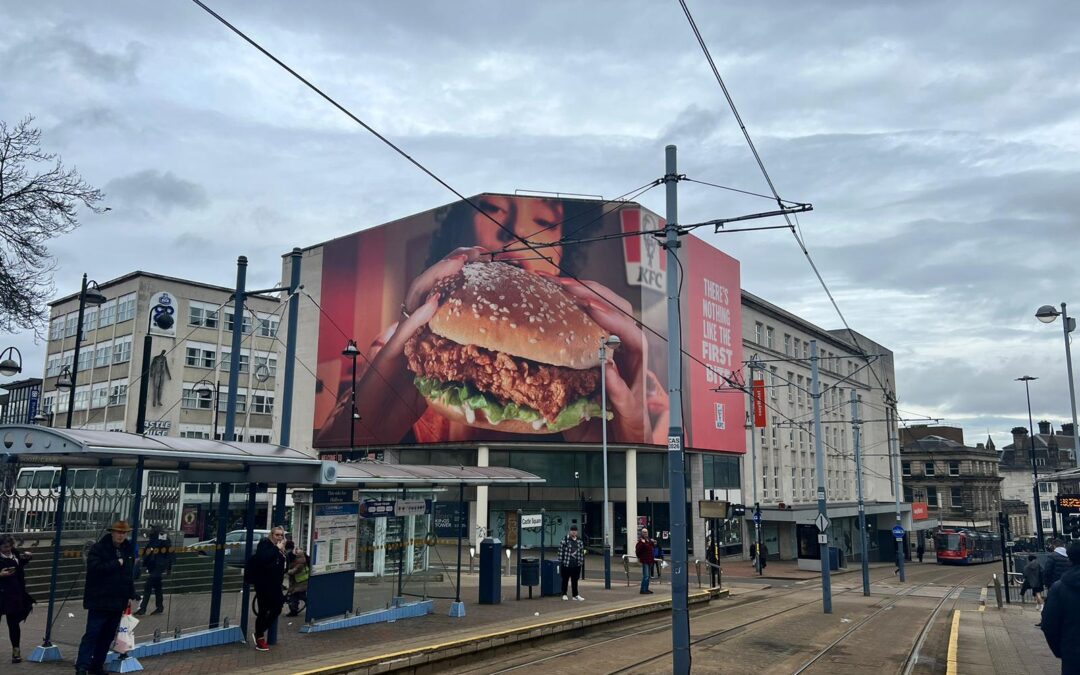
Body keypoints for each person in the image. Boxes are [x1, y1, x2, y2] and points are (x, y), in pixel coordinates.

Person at [315, 194, 668, 448]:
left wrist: (632, 448)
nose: (516, 232)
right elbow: (326, 468)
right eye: (495, 209)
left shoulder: (635, 389)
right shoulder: (394, 356)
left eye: (545, 222)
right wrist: (360, 433)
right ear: (460, 230)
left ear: (564, 249)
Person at [76, 521, 137, 675]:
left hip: (117, 601)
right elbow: (95, 569)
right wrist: (116, 563)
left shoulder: (128, 549)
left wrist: (130, 594)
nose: (121, 535)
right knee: (92, 634)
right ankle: (82, 666)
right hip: (99, 600)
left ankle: (96, 666)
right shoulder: (99, 548)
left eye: (123, 533)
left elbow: (128, 575)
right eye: (118, 532)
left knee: (107, 636)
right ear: (112, 532)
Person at [245, 526, 287, 651]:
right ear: (271, 535)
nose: (279, 537)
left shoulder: (280, 549)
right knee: (264, 610)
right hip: (264, 584)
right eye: (277, 535)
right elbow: (264, 558)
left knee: (277, 607)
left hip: (275, 584)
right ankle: (260, 638)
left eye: (281, 535)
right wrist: (276, 548)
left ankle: (259, 632)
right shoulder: (265, 544)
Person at [1041, 541, 1080, 673]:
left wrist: (1062, 650)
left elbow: (1049, 625)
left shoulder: (1058, 588)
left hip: (1073, 655)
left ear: (1069, 559)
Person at [0, 535, 33, 664]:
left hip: (14, 594)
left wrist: (27, 558)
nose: (8, 549)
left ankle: (16, 650)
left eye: (9, 546)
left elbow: (19, 566)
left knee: (13, 624)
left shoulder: (14, 554)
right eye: (4, 547)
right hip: (1, 594)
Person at [135, 526, 172, 616]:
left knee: (148, 586)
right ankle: (159, 607)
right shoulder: (157, 539)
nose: (151, 531)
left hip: (158, 567)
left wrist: (169, 568)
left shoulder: (162, 539)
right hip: (155, 567)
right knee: (158, 588)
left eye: (152, 529)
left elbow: (168, 553)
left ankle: (143, 609)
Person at [557, 525, 585, 601]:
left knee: (575, 580)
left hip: (576, 564)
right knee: (565, 579)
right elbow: (560, 551)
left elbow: (581, 552)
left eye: (575, 531)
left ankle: (575, 595)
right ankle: (564, 594)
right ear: (570, 531)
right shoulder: (565, 540)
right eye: (572, 530)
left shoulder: (579, 541)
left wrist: (581, 562)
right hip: (566, 563)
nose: (574, 532)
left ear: (577, 532)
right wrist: (561, 562)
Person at [285, 550, 310, 617]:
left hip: (301, 582)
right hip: (297, 583)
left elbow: (294, 571)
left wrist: (287, 571)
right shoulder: (299, 559)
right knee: (294, 597)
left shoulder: (300, 563)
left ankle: (312, 606)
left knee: (302, 596)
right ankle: (293, 611)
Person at [635, 528, 655, 595]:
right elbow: (638, 550)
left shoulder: (649, 540)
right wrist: (643, 544)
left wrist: (653, 542)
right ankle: (643, 590)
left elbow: (651, 547)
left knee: (648, 576)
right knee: (646, 576)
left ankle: (646, 589)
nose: (645, 533)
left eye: (646, 532)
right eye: (644, 532)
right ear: (641, 533)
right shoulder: (641, 541)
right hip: (645, 560)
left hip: (650, 560)